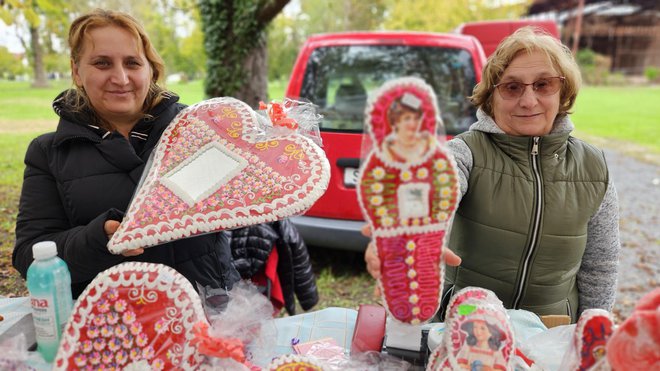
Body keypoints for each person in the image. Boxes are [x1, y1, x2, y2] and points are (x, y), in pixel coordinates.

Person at [365, 26, 621, 323]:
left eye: (543, 84)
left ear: (562, 92)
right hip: (466, 332)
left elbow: (600, 265)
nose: (528, 100)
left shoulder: (594, 167)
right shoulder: (465, 152)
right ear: (491, 96)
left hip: (551, 337)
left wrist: (593, 334)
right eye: (512, 87)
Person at [12, 9, 240, 299]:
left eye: (132, 63)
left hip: (210, 311)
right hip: (111, 325)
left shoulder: (197, 131)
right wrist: (98, 239)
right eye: (102, 63)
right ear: (76, 71)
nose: (120, 78)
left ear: (150, 70)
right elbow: (29, 256)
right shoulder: (49, 153)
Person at [381, 92, 434, 163]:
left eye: (417, 118)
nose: (413, 123)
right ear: (395, 122)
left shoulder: (428, 142)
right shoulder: (388, 147)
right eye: (407, 118)